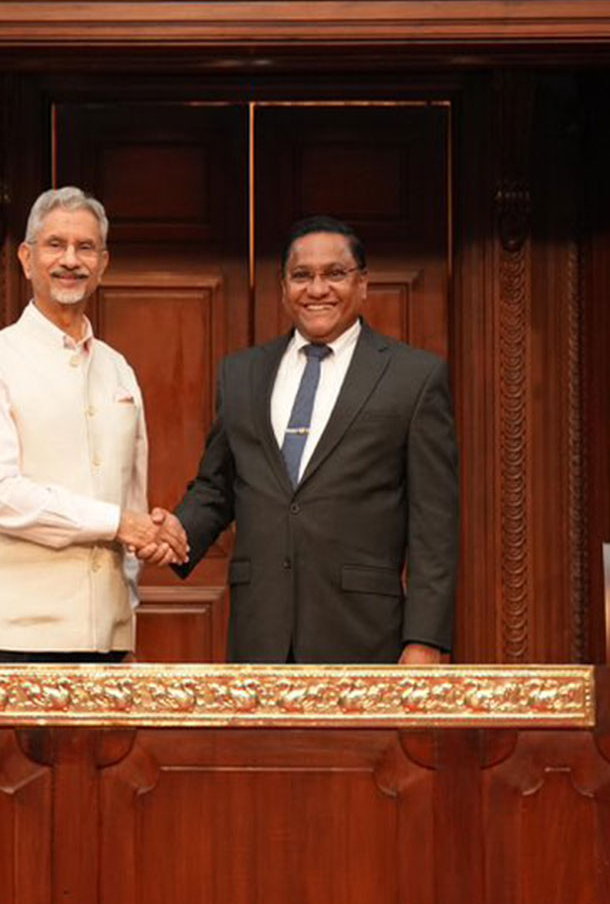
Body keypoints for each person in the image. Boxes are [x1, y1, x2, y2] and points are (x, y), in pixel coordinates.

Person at [159, 215, 459, 664]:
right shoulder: (241, 374)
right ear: (283, 288)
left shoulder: (413, 378)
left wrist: (425, 640)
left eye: (334, 274)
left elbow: (434, 524)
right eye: (302, 276)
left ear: (363, 284)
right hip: (259, 633)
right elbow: (217, 487)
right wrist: (179, 532)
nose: (317, 289)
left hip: (365, 635)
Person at [0, 186, 186, 663]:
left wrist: (146, 546)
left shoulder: (119, 369)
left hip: (107, 638)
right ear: (26, 257)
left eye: (86, 247)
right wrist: (120, 524)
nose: (70, 260)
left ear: (103, 262)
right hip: (10, 637)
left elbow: (131, 496)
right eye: (55, 244)